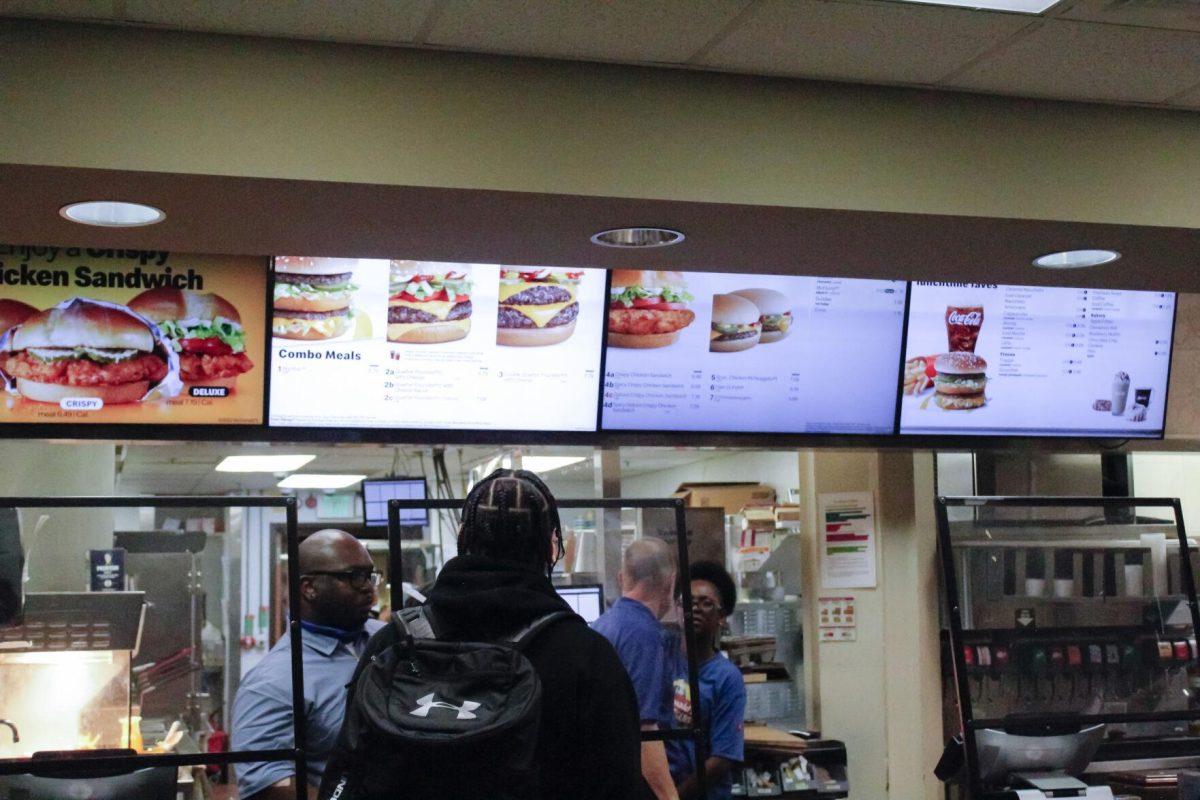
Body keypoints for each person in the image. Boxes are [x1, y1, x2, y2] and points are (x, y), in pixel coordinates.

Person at [321, 468, 642, 800]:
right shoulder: (586, 657)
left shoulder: (393, 644)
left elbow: (346, 767)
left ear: (463, 539)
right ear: (551, 548)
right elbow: (618, 783)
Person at [231, 529, 384, 800]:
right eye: (354, 577)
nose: (369, 588)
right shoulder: (273, 681)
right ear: (309, 588)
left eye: (370, 575)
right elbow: (268, 784)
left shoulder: (388, 638)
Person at [592, 538, 680, 800]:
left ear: (622, 578)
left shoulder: (602, 625)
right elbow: (645, 732)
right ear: (670, 582)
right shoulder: (645, 635)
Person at [668, 561, 746, 800]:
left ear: (721, 616)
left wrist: (673, 797)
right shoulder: (662, 660)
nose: (696, 609)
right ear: (678, 610)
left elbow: (722, 758)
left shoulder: (727, 679)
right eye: (688, 603)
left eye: (706, 603)